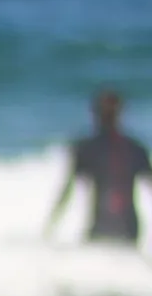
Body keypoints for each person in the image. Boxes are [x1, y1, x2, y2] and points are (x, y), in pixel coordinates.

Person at [51, 91, 145, 245]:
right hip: (129, 228)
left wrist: (51, 226)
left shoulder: (86, 149)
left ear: (95, 114)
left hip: (100, 226)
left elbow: (67, 191)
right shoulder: (134, 148)